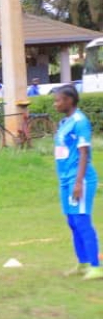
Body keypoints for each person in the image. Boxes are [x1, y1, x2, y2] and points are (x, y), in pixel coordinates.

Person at [52, 85, 102, 280]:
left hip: (79, 178)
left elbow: (84, 153)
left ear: (69, 101)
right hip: (66, 179)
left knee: (82, 220)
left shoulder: (80, 122)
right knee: (72, 221)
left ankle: (97, 267)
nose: (55, 104)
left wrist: (79, 182)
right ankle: (83, 263)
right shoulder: (66, 121)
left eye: (58, 100)